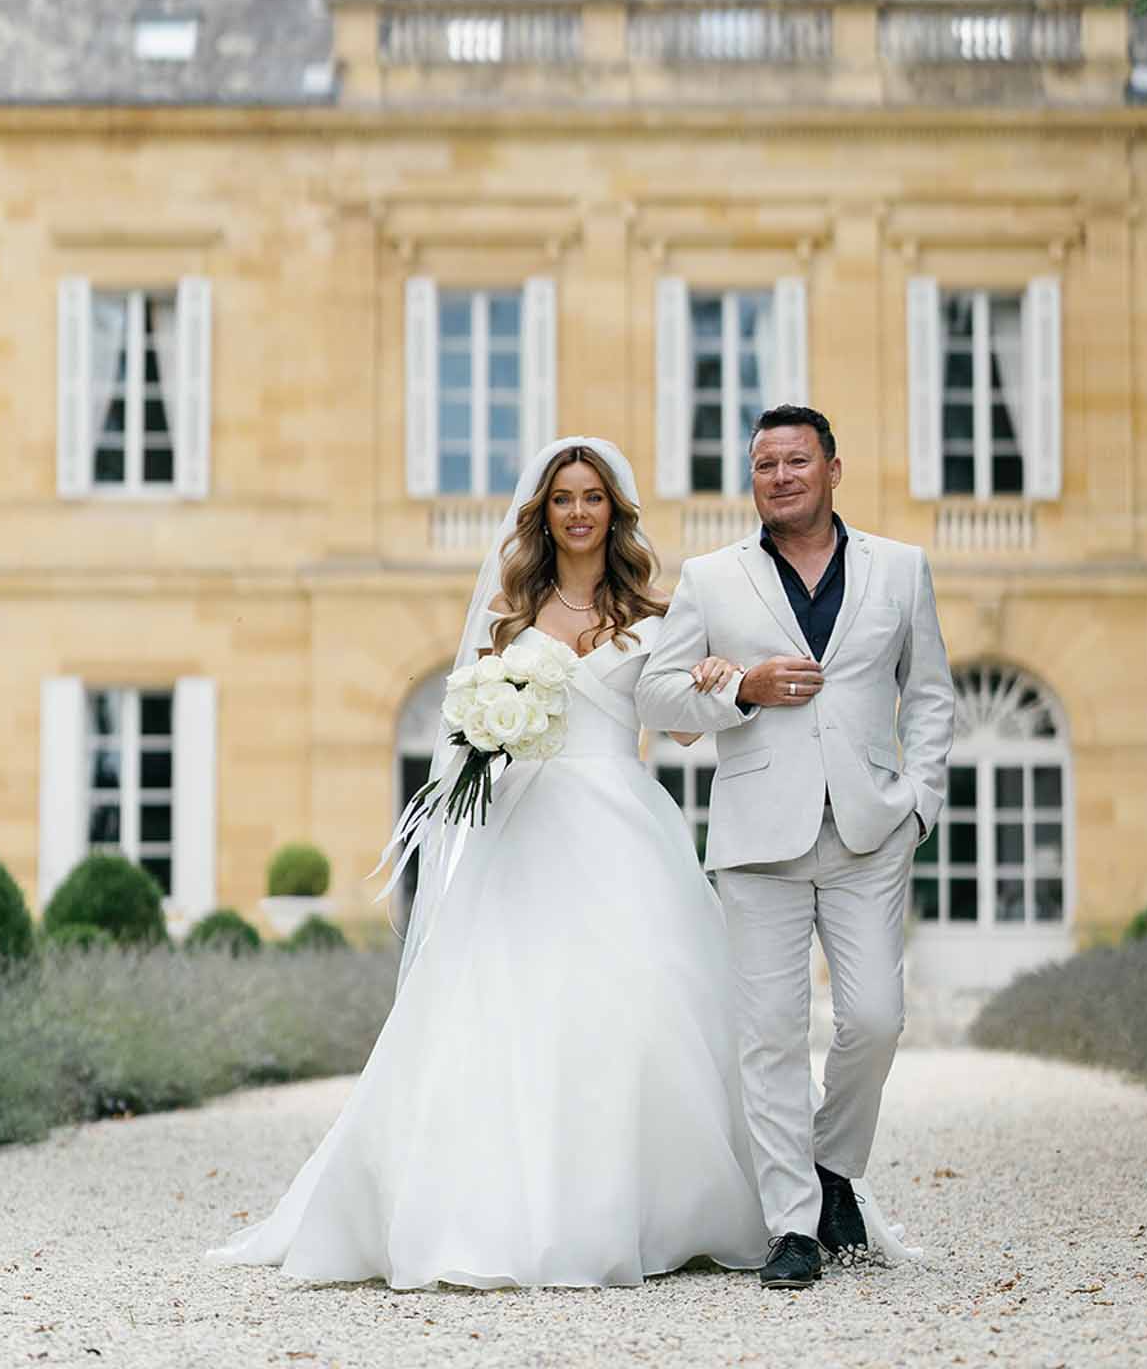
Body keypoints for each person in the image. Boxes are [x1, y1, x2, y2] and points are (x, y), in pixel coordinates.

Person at [207, 437, 765, 1291]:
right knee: (506, 1004)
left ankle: (658, 1208)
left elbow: (681, 727)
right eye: (563, 499)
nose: (579, 512)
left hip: (623, 824)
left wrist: (718, 677)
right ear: (543, 515)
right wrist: (495, 729)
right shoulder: (511, 613)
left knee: (641, 997)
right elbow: (470, 728)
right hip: (528, 827)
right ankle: (493, 1211)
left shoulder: (655, 613)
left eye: (593, 497)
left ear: (615, 511)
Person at [636, 404, 955, 1290]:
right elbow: (657, 699)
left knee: (875, 1021)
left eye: (796, 461)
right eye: (764, 463)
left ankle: (831, 1165)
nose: (779, 476)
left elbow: (929, 694)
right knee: (770, 1036)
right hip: (756, 838)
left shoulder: (900, 568)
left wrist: (918, 804)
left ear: (832, 469)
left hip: (868, 830)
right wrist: (742, 687)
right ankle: (792, 1228)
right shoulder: (712, 576)